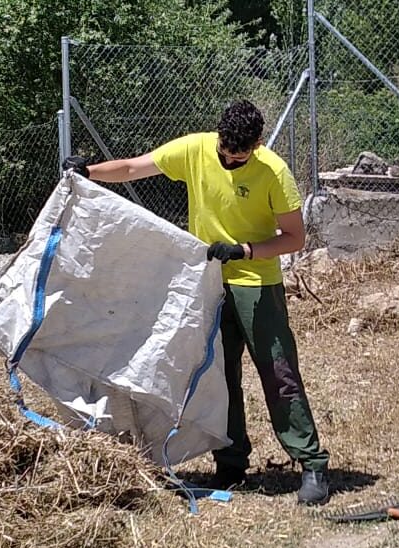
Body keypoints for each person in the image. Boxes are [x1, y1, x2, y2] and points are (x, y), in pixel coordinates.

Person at [63, 99, 331, 505]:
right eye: (224, 153)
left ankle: (311, 463)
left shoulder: (274, 171)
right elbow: (134, 168)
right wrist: (89, 171)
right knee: (218, 377)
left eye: (238, 158)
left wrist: (245, 250)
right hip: (208, 284)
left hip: (256, 285)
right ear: (217, 137)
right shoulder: (195, 148)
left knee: (278, 372)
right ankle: (231, 464)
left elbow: (294, 238)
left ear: (258, 144)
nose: (229, 161)